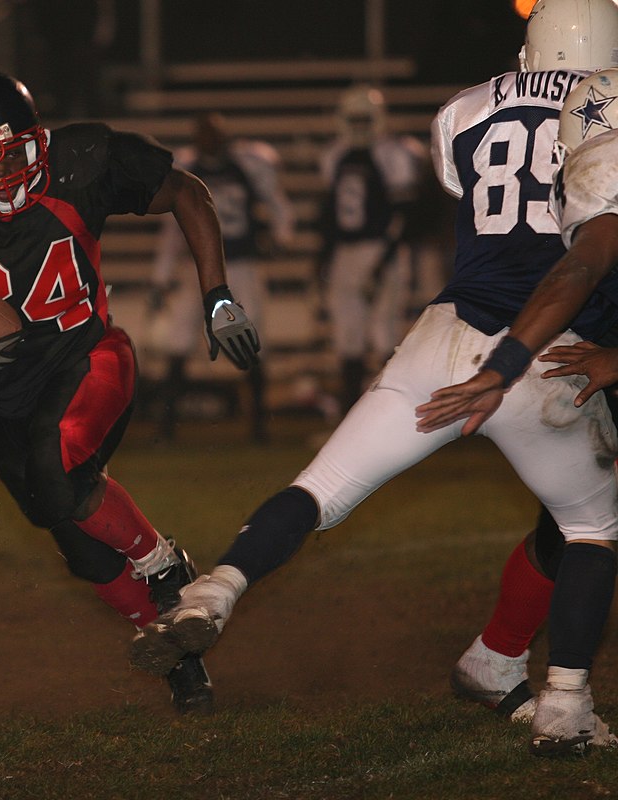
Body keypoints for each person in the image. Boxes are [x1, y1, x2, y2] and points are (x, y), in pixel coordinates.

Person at [127, 0, 618, 755]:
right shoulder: (607, 112)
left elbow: (477, 200)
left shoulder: (463, 111)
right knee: (593, 526)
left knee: (321, 487)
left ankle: (217, 589)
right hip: (542, 349)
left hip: (443, 331)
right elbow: (579, 260)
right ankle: (566, 704)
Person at [0, 70, 260, 714]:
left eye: (11, 155)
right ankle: (177, 659)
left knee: (58, 462)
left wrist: (217, 295)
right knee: (71, 539)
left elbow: (187, 193)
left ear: (38, 143)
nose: (1, 177)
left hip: (91, 355)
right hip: (5, 393)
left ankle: (163, 565)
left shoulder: (80, 166)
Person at [415, 65, 618, 751]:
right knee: (583, 518)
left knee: (586, 517)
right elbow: (579, 264)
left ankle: (503, 660)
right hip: (585, 329)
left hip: (589, 330)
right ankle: (517, 668)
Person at [147, 113, 294, 442]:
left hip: (240, 264)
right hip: (195, 267)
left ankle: (258, 422)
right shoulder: (186, 167)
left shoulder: (249, 163)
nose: (209, 140)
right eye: (203, 134)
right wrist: (161, 277)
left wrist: (279, 240)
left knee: (252, 336)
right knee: (179, 339)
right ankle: (167, 427)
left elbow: (279, 207)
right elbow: (173, 230)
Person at [315, 85, 426, 414]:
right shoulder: (334, 155)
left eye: (366, 119)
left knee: (384, 332)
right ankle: (350, 416)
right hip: (346, 253)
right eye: (355, 119)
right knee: (348, 335)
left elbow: (405, 216)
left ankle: (390, 413)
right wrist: (324, 259)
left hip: (382, 249)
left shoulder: (394, 153)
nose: (360, 126)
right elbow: (329, 215)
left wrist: (383, 261)